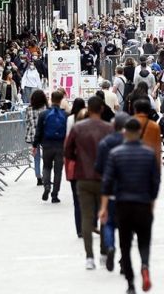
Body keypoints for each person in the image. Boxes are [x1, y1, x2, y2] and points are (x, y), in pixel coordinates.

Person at [99, 118, 160, 294]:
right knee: (144, 241)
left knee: (125, 245)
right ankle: (145, 266)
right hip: (143, 204)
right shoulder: (148, 154)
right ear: (140, 133)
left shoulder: (115, 154)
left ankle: (130, 284)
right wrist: (152, 201)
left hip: (123, 205)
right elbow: (155, 181)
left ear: (125, 133)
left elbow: (107, 182)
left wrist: (103, 208)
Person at [64, 96, 114, 270]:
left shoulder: (78, 128)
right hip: (104, 177)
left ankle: (89, 257)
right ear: (101, 109)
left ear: (88, 109)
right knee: (104, 214)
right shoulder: (109, 128)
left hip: (83, 176)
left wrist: (77, 159)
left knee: (86, 216)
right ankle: (103, 251)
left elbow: (67, 151)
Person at [94, 112, 130, 272]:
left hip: (109, 188)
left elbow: (99, 167)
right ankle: (124, 258)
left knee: (108, 222)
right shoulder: (131, 142)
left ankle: (109, 246)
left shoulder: (105, 143)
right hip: (128, 190)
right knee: (125, 226)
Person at [32, 90, 67, 203]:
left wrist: (35, 145)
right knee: (58, 171)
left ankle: (47, 185)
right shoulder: (65, 115)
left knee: (47, 167)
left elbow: (39, 131)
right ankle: (55, 195)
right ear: (61, 100)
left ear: (51, 99)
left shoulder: (44, 114)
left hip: (47, 144)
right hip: (60, 146)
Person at [65, 98, 87, 238]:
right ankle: (89, 224)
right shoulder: (88, 132)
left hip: (74, 169)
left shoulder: (70, 120)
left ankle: (80, 228)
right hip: (87, 169)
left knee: (77, 200)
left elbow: (67, 141)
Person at [25, 90, 48, 186]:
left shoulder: (29, 109)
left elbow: (27, 122)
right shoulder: (45, 109)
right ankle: (45, 175)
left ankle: (38, 177)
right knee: (46, 157)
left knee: (36, 157)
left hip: (33, 135)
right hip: (44, 135)